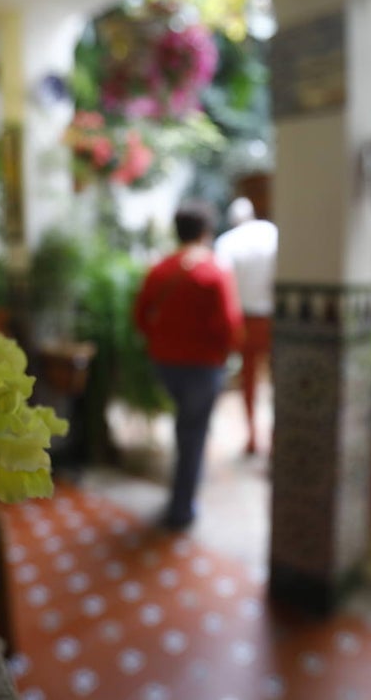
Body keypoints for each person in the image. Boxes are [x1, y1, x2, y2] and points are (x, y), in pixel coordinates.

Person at [134, 200, 244, 531]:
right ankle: (181, 509)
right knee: (192, 433)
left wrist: (161, 340)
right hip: (202, 366)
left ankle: (182, 498)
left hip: (165, 364)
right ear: (206, 232)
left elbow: (140, 317)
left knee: (186, 427)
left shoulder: (159, 269)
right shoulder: (214, 271)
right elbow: (230, 326)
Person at [213, 196, 278, 456]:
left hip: (244, 320)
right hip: (272, 317)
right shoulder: (270, 234)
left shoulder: (226, 243)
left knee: (248, 379)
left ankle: (252, 434)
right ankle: (274, 434)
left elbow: (223, 288)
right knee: (275, 379)